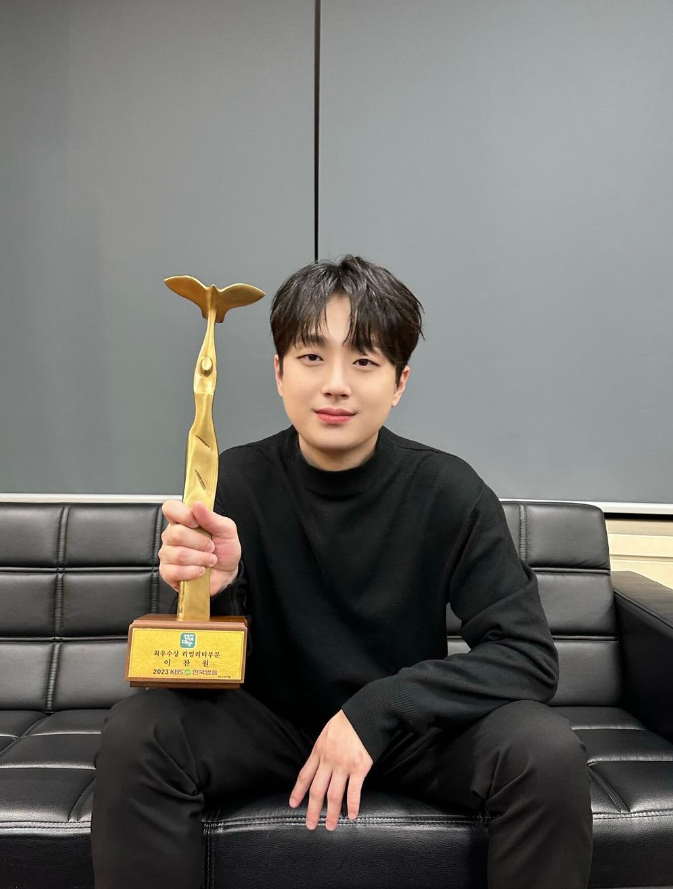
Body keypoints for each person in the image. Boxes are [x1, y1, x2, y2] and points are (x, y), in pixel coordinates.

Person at [90, 254, 593, 889]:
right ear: (278, 372)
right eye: (311, 357)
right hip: (267, 727)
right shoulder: (229, 481)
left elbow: (527, 657)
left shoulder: (448, 490)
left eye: (364, 361)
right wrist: (213, 592)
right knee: (139, 732)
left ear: (399, 382)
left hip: (406, 734)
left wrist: (377, 709)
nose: (335, 384)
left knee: (544, 751)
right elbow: (195, 671)